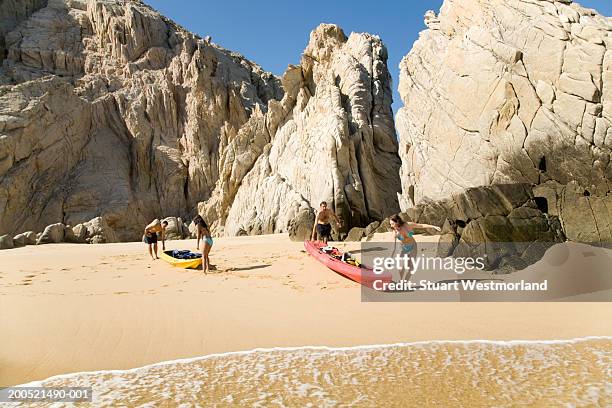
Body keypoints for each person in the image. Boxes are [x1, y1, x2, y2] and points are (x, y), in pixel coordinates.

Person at [390, 214, 441, 281]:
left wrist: (433, 226)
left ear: (397, 222)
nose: (391, 226)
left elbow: (421, 225)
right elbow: (394, 246)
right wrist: (390, 258)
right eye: (390, 224)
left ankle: (405, 282)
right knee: (401, 267)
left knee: (411, 267)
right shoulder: (395, 232)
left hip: (413, 247)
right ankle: (400, 280)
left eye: (392, 224)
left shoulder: (407, 225)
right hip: (403, 248)